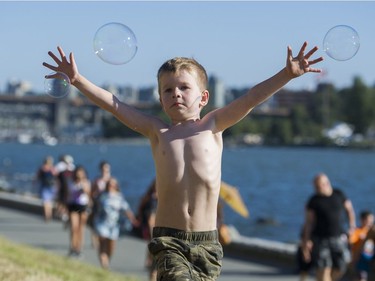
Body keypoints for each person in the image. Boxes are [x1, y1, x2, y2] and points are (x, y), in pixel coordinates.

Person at [43, 41, 323, 280]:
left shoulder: (214, 125)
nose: (175, 93)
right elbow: (115, 105)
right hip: (169, 240)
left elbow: (251, 98)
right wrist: (78, 80)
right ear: (161, 99)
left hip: (207, 243)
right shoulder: (157, 130)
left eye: (183, 88)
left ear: (203, 97)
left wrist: (286, 74)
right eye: (167, 90)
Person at [302, 173, 356, 281]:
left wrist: (352, 226)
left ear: (326, 184)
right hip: (320, 239)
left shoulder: (339, 194)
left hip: (339, 237)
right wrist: (306, 241)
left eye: (318, 186)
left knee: (343, 265)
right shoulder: (313, 200)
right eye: (315, 187)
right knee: (323, 268)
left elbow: (349, 210)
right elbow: (308, 223)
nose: (316, 189)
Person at [93, 177, 138, 269]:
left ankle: (107, 261)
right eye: (109, 184)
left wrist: (133, 220)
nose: (111, 186)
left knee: (111, 246)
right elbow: (95, 207)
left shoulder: (119, 197)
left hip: (114, 225)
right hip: (102, 223)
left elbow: (126, 209)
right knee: (102, 244)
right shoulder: (102, 195)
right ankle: (103, 264)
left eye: (113, 184)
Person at [66, 165, 91, 258]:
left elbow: (88, 193)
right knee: (74, 227)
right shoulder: (71, 182)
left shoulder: (86, 182)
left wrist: (83, 187)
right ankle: (72, 246)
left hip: (82, 206)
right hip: (73, 205)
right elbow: (68, 194)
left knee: (81, 229)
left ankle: (79, 248)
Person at [137, 179, 158, 280]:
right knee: (151, 243)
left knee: (151, 243)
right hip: (150, 224)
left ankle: (149, 260)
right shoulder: (150, 197)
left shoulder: (161, 197)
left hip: (156, 224)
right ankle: (149, 260)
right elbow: (141, 207)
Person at [89, 160, 112, 249]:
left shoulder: (111, 180)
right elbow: (92, 192)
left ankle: (105, 239)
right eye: (103, 169)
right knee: (95, 222)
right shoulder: (97, 180)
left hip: (108, 206)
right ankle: (95, 239)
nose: (105, 171)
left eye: (107, 169)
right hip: (98, 204)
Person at [349, 210, 374, 281]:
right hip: (360, 259)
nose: (370, 222)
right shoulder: (357, 231)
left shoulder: (372, 232)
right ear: (362, 220)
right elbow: (351, 243)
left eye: (371, 220)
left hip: (370, 259)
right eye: (368, 220)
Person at [54, 154, 75, 226]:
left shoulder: (69, 167)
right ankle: (63, 213)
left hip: (67, 188)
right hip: (64, 188)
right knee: (62, 201)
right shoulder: (62, 167)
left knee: (64, 201)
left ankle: (64, 214)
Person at [36, 156, 57, 222]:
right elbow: (56, 176)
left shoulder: (42, 168)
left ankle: (46, 215)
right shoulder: (52, 168)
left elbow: (38, 177)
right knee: (49, 202)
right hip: (51, 186)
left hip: (45, 186)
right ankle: (49, 215)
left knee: (45, 202)